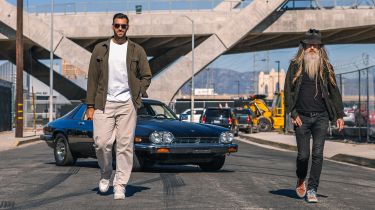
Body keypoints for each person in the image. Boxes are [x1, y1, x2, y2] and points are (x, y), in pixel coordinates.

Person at [85, 13, 152, 200]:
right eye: (117, 25)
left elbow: (146, 75)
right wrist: (89, 105)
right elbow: (92, 79)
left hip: (127, 104)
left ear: (128, 27)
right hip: (103, 102)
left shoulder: (137, 50)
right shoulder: (100, 49)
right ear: (112, 26)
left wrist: (138, 93)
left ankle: (120, 184)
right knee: (101, 143)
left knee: (124, 146)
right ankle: (106, 173)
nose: (120, 29)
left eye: (123, 26)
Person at [284, 29, 345, 203]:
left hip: (321, 117)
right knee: (303, 155)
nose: (312, 47)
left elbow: (334, 92)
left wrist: (339, 115)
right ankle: (301, 178)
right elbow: (288, 90)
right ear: (303, 47)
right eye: (309, 44)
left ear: (320, 47)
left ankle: (312, 189)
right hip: (301, 117)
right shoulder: (295, 65)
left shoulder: (326, 67)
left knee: (318, 154)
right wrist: (293, 112)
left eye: (315, 45)